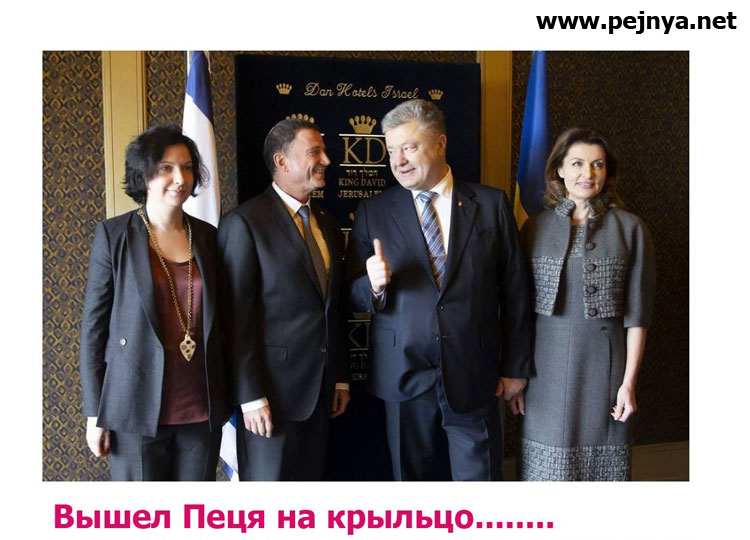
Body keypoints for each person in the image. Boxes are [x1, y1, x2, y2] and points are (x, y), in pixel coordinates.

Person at [347, 99, 531, 481]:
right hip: (404, 377)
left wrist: (515, 368)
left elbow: (516, 293)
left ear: (440, 143)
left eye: (409, 147)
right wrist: (373, 285)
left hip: (474, 374)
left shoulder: (491, 205)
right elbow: (351, 294)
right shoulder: (373, 211)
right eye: (391, 150)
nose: (398, 160)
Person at [80, 123, 228, 480]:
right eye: (166, 168)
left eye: (187, 167)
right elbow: (93, 329)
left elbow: (226, 322)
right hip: (134, 407)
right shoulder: (114, 235)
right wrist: (95, 413)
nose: (180, 178)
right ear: (144, 175)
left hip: (201, 407)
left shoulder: (209, 237)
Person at [516, 127, 656, 481]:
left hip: (605, 369)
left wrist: (628, 383)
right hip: (542, 370)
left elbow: (638, 318)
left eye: (598, 164)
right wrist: (516, 374)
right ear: (560, 169)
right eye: (577, 163)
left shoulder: (631, 229)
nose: (588, 173)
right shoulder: (533, 228)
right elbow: (518, 313)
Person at [218, 118, 350, 481]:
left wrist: (339, 378)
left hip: (321, 395)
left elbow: (332, 309)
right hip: (268, 400)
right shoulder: (244, 223)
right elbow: (235, 320)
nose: (326, 160)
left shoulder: (328, 224)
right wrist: (250, 397)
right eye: (315, 152)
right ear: (282, 161)